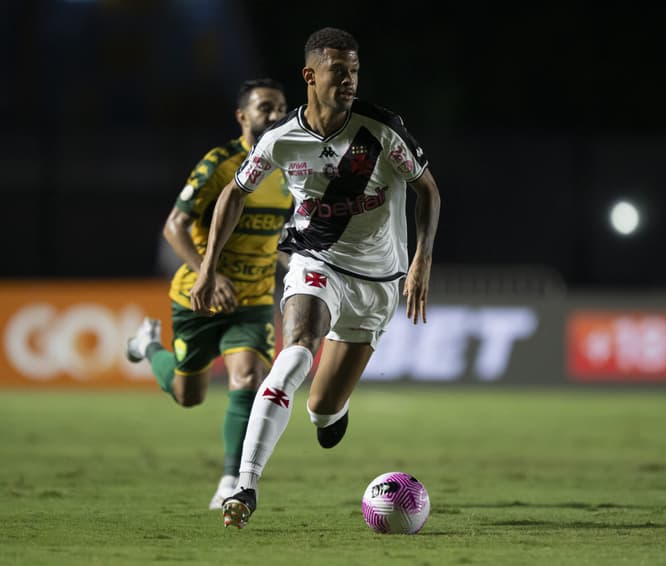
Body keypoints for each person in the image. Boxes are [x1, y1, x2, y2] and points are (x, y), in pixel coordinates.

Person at [189, 26, 441, 529]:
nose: (349, 80)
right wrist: (209, 265)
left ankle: (328, 413)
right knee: (296, 348)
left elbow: (428, 192)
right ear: (310, 74)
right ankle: (246, 484)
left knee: (324, 411)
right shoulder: (280, 139)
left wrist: (421, 262)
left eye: (354, 71)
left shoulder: (382, 130)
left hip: (377, 282)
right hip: (315, 261)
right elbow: (234, 193)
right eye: (338, 71)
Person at [125, 78, 293, 511]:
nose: (276, 117)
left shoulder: (290, 169)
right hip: (197, 296)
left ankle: (231, 481)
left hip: (252, 300)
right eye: (266, 109)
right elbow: (174, 226)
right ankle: (147, 346)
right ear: (243, 117)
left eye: (281, 109)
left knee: (249, 378)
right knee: (188, 395)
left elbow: (280, 239)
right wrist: (209, 273)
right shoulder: (219, 164)